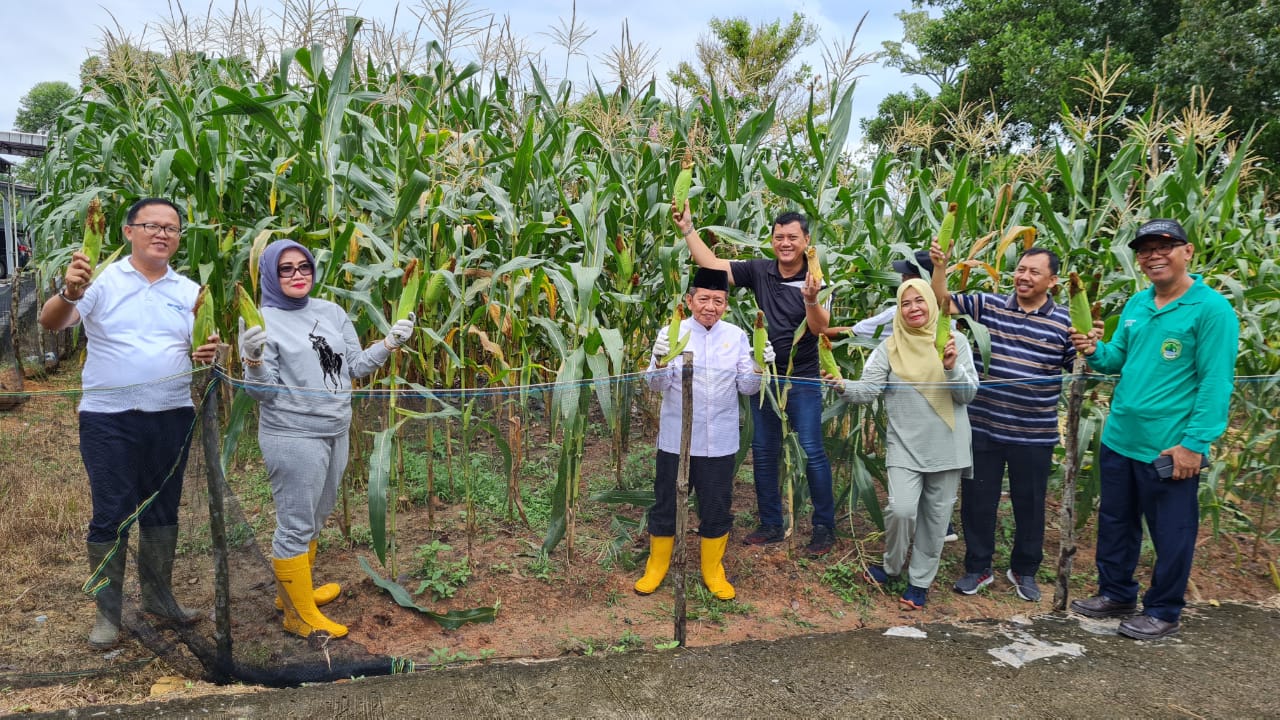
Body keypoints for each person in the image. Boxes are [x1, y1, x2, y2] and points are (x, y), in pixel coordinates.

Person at [38, 197, 219, 648]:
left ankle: (159, 599)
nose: (162, 234)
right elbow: (52, 322)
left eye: (172, 228)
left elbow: (207, 348)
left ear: (179, 238)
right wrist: (70, 292)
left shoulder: (189, 291)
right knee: (111, 513)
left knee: (162, 509)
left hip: (171, 415)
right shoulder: (99, 280)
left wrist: (211, 351)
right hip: (108, 419)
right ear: (127, 232)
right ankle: (108, 613)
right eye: (151, 225)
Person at [1068, 218, 1237, 640]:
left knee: (1172, 532)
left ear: (1187, 251)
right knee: (1116, 522)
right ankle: (1117, 593)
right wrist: (1094, 350)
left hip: (1168, 448)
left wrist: (1194, 444)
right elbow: (1116, 361)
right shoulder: (1138, 304)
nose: (1153, 255)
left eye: (1165, 246)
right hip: (1120, 437)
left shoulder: (1212, 309)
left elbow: (1216, 383)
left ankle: (1163, 609)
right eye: (1145, 249)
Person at [238, 239, 413, 640]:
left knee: (316, 518)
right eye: (286, 269)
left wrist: (389, 344)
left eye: (304, 267)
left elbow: (353, 367)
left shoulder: (330, 312)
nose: (298, 275)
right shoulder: (261, 321)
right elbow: (262, 394)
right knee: (296, 524)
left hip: (335, 429)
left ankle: (293, 596)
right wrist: (252, 361)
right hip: (293, 434)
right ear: (269, 274)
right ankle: (297, 617)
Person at [673, 202, 837, 556]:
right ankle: (771, 523)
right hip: (765, 377)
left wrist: (811, 299)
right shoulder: (761, 271)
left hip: (804, 379)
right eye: (779, 237)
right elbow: (713, 265)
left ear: (807, 240)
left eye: (793, 237)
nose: (785, 243)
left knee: (811, 451)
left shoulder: (817, 279)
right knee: (763, 452)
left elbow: (820, 329)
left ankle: (824, 527)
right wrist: (688, 229)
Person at [930, 242, 1076, 602]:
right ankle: (977, 567)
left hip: (1034, 433)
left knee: (1031, 503)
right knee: (978, 500)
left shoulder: (1064, 323)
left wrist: (1092, 344)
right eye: (1021, 269)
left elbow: (1081, 368)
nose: (1023, 277)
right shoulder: (988, 304)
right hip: (983, 426)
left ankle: (1024, 571)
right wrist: (939, 267)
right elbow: (942, 303)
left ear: (1052, 281)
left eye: (1034, 272)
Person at [823, 279, 977, 610]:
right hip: (905, 445)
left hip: (948, 446)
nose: (913, 308)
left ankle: (919, 582)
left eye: (919, 301)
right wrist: (840, 384)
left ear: (931, 305)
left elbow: (968, 395)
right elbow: (866, 391)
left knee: (936, 521)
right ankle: (892, 566)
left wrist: (951, 368)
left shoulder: (955, 341)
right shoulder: (889, 347)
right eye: (905, 303)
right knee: (902, 510)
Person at [635, 268, 768, 600]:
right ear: (690, 300)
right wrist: (660, 360)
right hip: (675, 439)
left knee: (716, 505)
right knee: (666, 503)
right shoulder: (672, 332)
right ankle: (656, 567)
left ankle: (713, 571)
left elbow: (748, 388)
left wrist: (759, 366)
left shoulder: (736, 336)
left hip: (720, 441)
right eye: (704, 299)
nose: (711, 306)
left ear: (726, 304)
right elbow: (654, 385)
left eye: (718, 300)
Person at [850, 250, 960, 543]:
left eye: (909, 276)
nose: (902, 280)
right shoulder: (934, 316)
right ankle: (929, 530)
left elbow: (857, 331)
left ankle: (936, 529)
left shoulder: (935, 322)